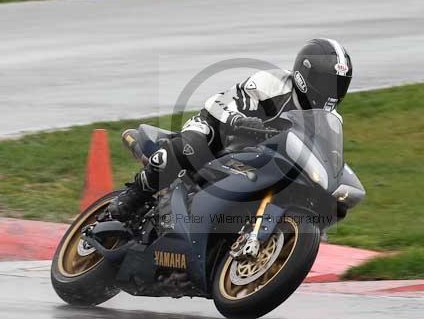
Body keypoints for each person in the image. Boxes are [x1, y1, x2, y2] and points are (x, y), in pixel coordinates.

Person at [105, 38, 353, 221]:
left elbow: (326, 157)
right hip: (221, 132)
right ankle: (132, 198)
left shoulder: (330, 119)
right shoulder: (272, 83)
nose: (333, 91)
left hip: (264, 159)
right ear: (305, 75)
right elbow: (221, 102)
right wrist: (239, 120)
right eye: (328, 82)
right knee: (190, 146)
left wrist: (332, 193)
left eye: (340, 84)